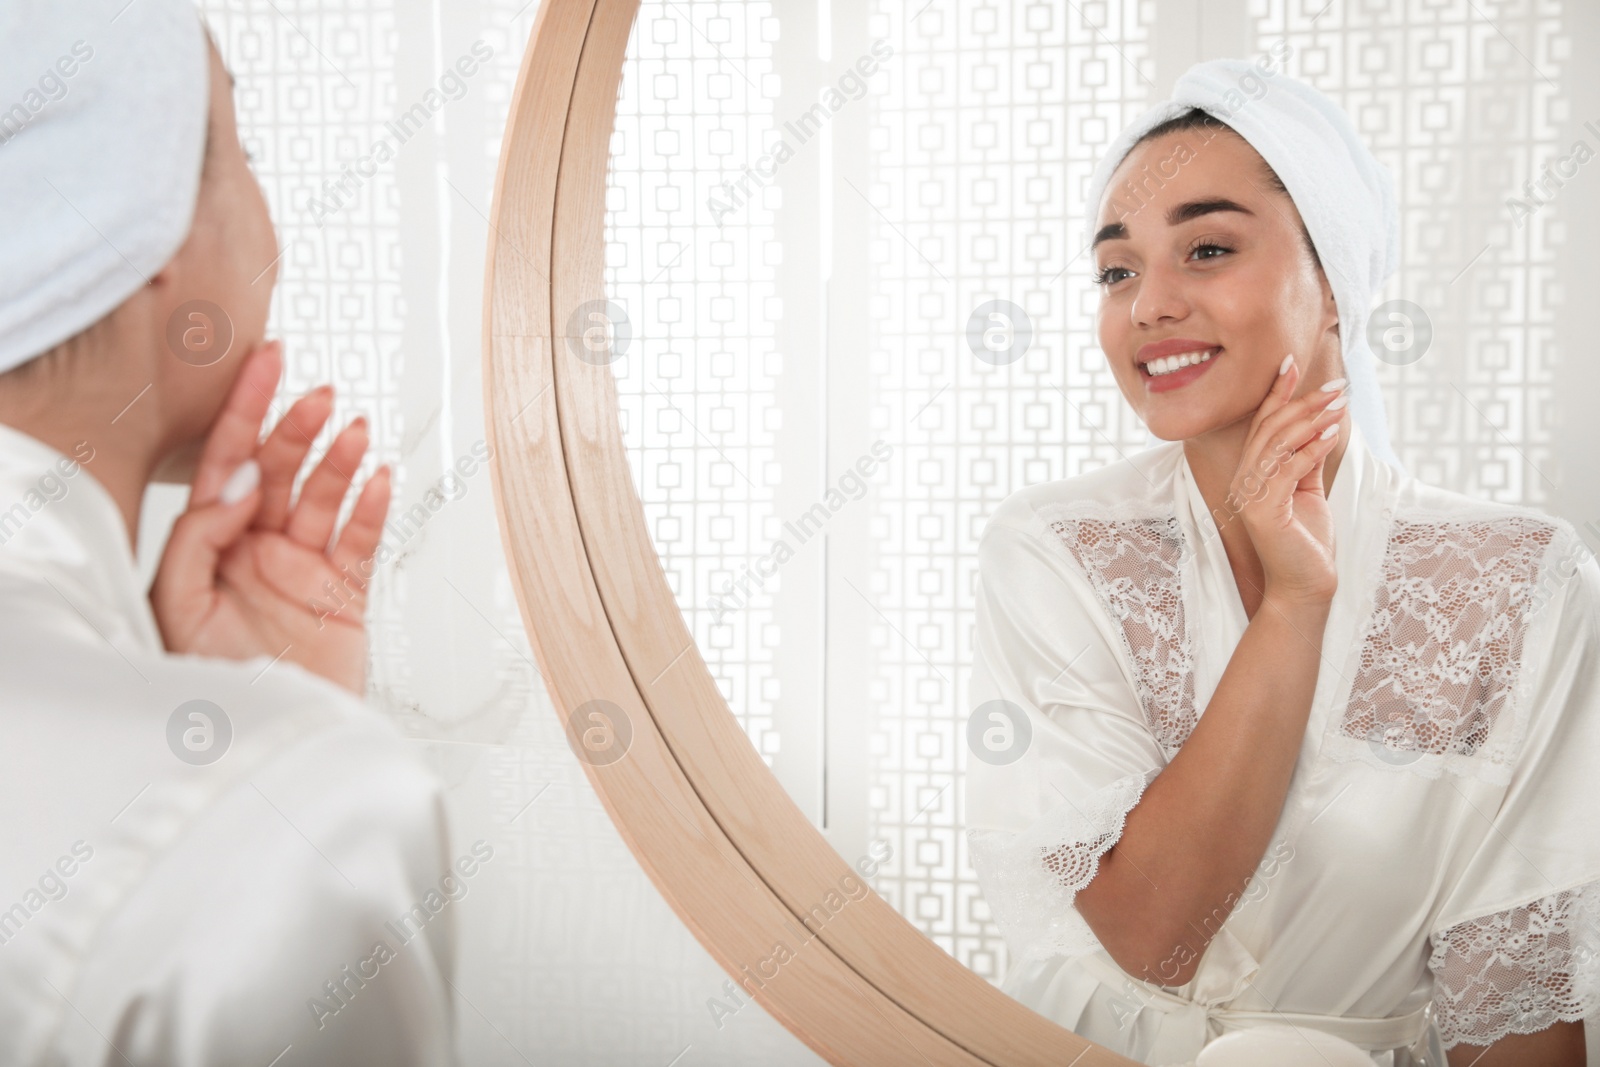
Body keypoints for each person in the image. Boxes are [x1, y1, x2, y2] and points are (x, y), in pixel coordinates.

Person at [964, 57, 1600, 1067]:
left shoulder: (1520, 579)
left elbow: (1514, 999)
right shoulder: (1055, 550)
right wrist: (1293, 603)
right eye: (1116, 270)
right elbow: (1153, 934)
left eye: (1206, 248)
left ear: (1336, 277)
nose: (1147, 305)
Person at [0, 3, 457, 1063]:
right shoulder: (295, 821)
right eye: (236, 148)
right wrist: (260, 769)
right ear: (140, 224)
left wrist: (176, 689)